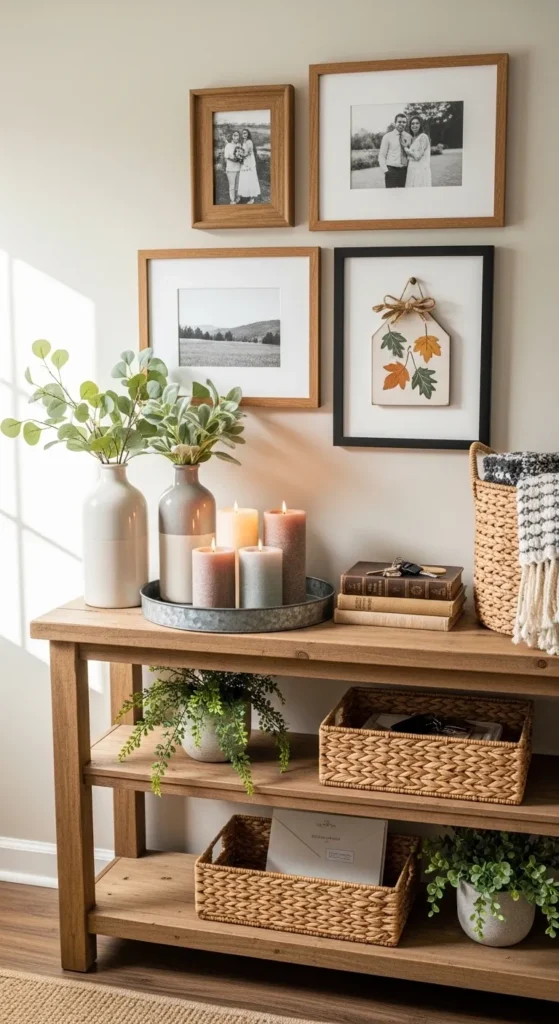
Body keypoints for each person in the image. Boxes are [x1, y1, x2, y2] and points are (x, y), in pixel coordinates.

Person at [378, 113, 411, 188]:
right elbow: (381, 155)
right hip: (391, 171)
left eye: (404, 122)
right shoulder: (387, 137)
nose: (401, 124)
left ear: (406, 123)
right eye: (399, 122)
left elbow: (409, 154)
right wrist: (386, 171)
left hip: (404, 171)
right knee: (390, 196)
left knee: (403, 196)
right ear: (395, 123)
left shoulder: (408, 137)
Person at [404, 115, 432, 187]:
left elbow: (417, 156)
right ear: (410, 126)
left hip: (421, 170)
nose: (414, 125)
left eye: (417, 123)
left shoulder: (423, 137)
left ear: (421, 125)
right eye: (412, 123)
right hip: (411, 170)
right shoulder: (412, 139)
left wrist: (406, 149)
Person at [237, 128, 261, 203]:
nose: (244, 134)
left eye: (245, 133)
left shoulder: (249, 141)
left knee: (250, 178)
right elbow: (241, 150)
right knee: (244, 178)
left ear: (248, 134)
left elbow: (249, 152)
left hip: (249, 162)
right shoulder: (242, 142)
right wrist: (239, 155)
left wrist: (242, 155)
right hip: (244, 162)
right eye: (243, 133)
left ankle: (251, 197)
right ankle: (243, 195)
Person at [222, 130, 243, 204]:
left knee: (237, 185)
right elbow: (226, 156)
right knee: (232, 186)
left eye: (237, 135)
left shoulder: (240, 145)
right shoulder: (228, 145)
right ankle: (232, 200)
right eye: (234, 135)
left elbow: (241, 156)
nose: (236, 137)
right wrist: (235, 159)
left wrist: (240, 158)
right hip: (231, 169)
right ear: (232, 136)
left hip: (239, 168)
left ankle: (237, 197)